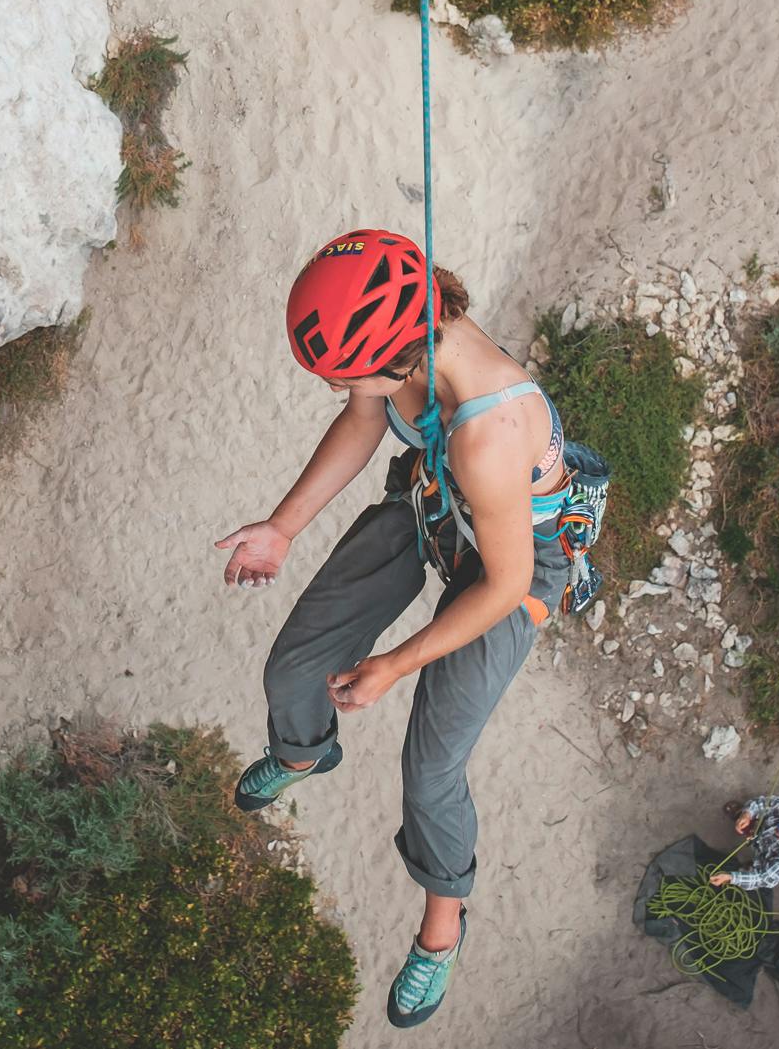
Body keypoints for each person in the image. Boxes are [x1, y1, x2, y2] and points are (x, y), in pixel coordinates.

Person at [217, 229, 610, 1030]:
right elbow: (366, 418)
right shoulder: (405, 328)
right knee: (294, 663)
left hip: (512, 563)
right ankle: (302, 748)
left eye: (337, 370)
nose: (330, 382)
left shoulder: (489, 430)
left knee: (431, 768)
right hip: (437, 499)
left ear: (394, 355)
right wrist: (284, 527)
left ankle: (442, 924)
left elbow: (500, 586)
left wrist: (395, 662)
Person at [709, 794, 779, 892]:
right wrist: (747, 814)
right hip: (759, 828)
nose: (775, 830)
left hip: (765, 857)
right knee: (747, 822)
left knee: (755, 871)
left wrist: (732, 878)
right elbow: (761, 803)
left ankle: (751, 867)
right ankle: (741, 817)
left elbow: (761, 878)